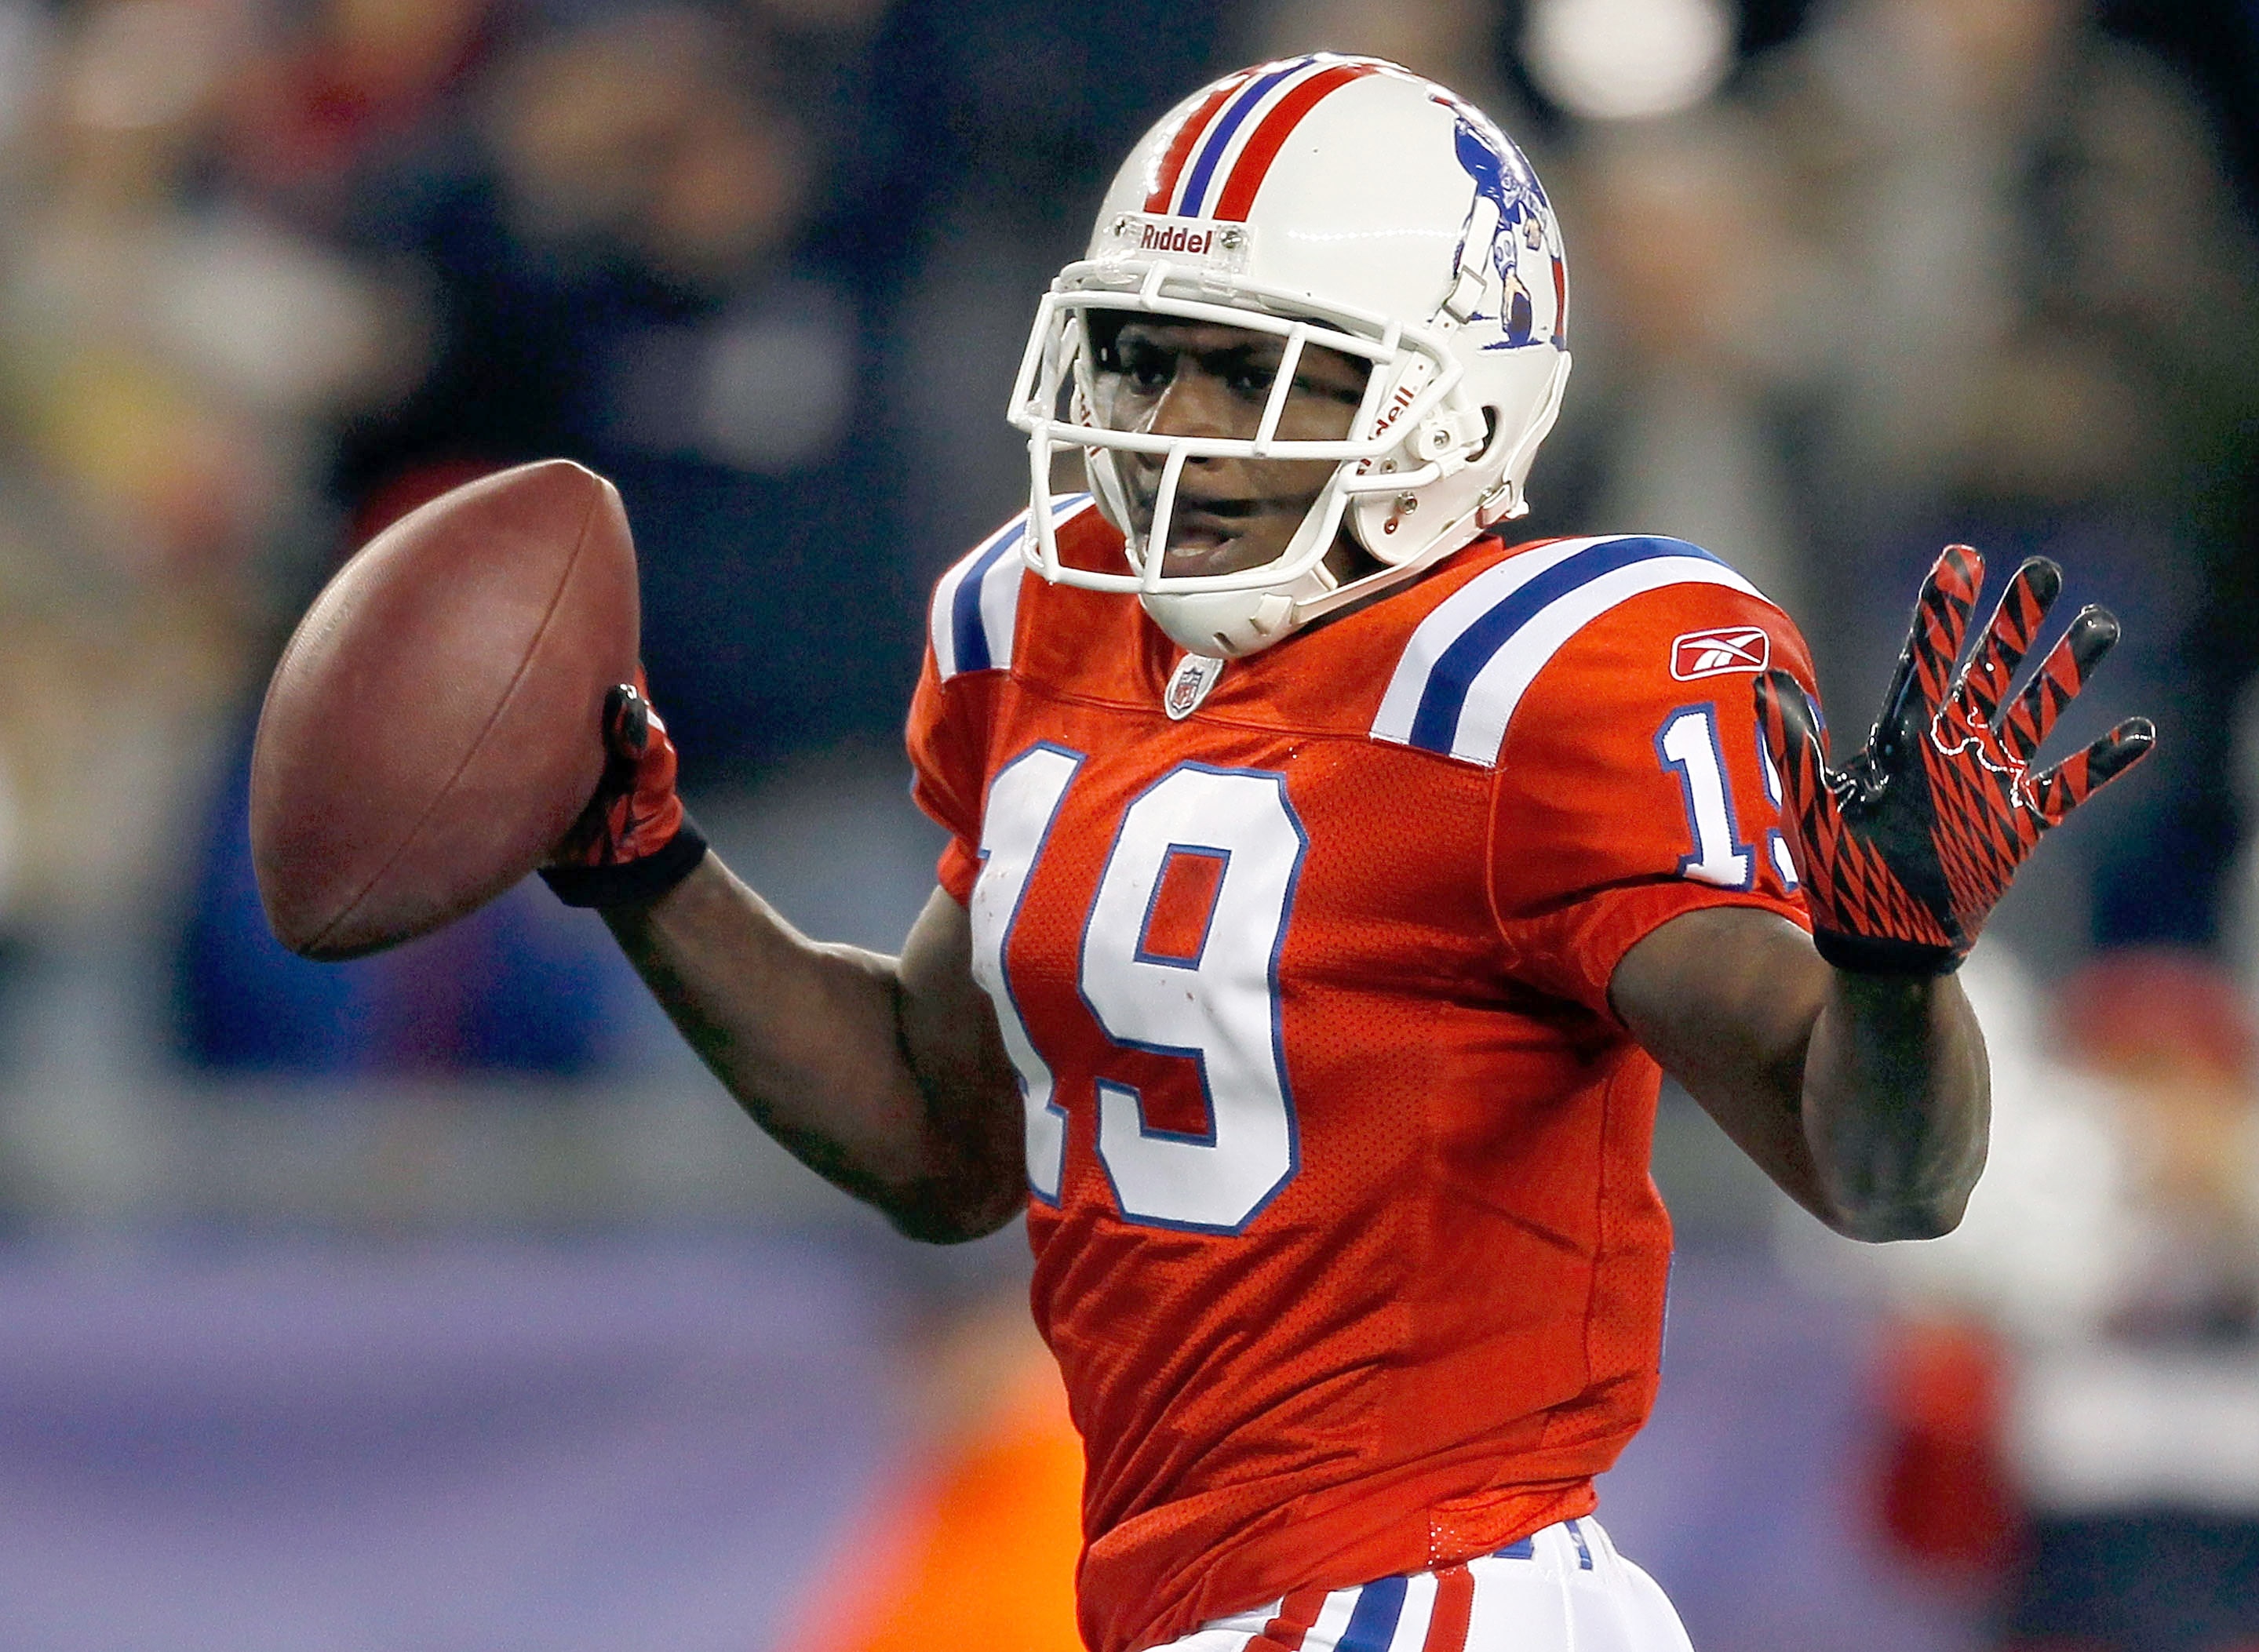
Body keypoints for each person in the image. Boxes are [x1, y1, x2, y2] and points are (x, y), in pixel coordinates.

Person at [535, 55, 2155, 1652]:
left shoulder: (1535, 680)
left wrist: (1891, 976)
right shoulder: (1046, 621)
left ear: (1452, 406)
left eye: (1253, 373)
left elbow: (1883, 1178)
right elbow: (939, 1133)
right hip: (1195, 1595)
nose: (1176, 426)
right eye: (1144, 357)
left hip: (1441, 1591)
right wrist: (646, 869)